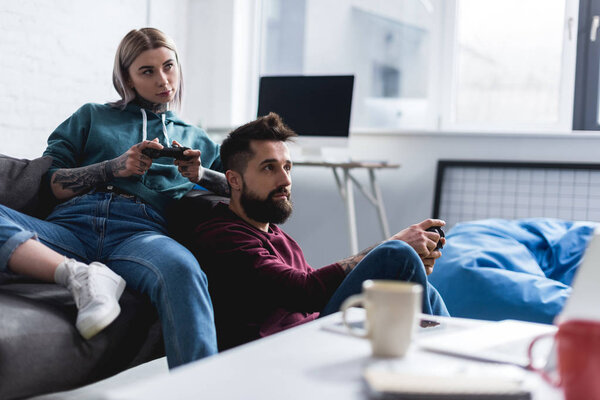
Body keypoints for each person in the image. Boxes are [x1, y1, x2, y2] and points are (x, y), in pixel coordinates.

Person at [0, 28, 229, 369]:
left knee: (183, 270)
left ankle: (197, 387)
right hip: (70, 227)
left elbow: (240, 189)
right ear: (127, 79)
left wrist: (202, 175)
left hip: (139, 234)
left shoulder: (198, 139)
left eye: (168, 66)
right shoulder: (91, 116)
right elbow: (52, 183)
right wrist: (113, 167)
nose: (163, 80)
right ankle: (76, 275)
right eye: (147, 71)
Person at [191, 112, 449, 351]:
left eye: (287, 167)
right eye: (269, 168)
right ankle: (441, 365)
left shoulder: (273, 232)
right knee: (397, 254)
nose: (285, 180)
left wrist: (395, 271)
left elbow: (309, 284)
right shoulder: (223, 237)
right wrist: (390, 251)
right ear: (234, 180)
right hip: (282, 349)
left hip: (313, 327)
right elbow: (305, 292)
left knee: (419, 283)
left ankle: (453, 355)